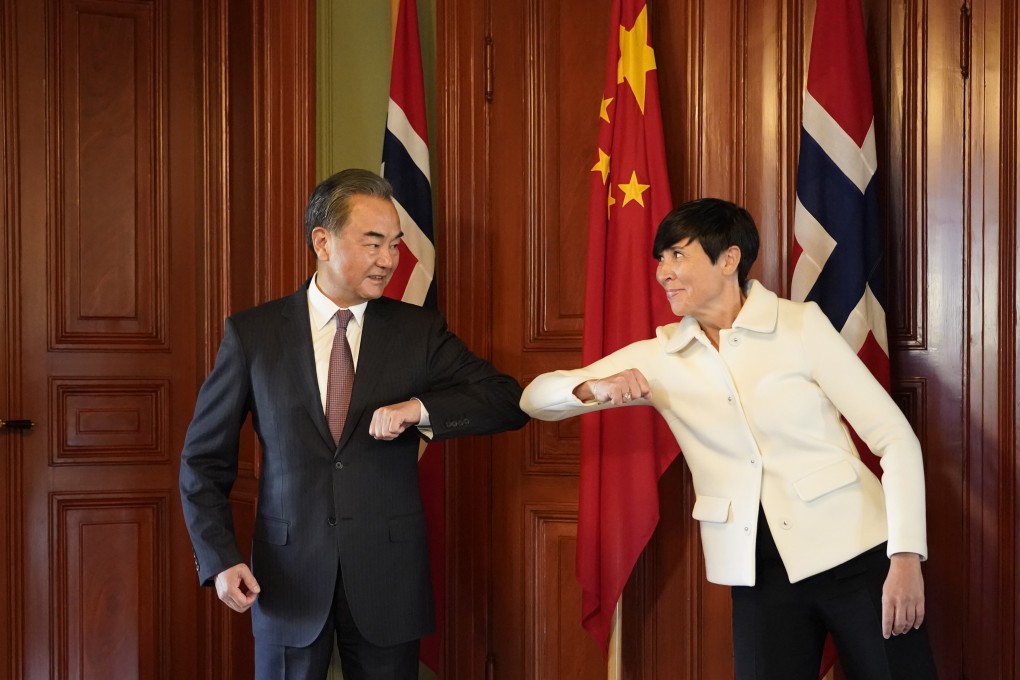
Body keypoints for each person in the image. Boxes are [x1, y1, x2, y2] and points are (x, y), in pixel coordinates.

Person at [519, 198, 938, 679]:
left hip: (858, 552)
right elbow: (534, 398)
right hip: (756, 571)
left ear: (729, 259)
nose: (663, 273)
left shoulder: (800, 326)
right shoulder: (660, 355)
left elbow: (895, 438)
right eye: (660, 259)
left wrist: (906, 556)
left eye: (677, 255)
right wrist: (591, 388)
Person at [179, 168, 529, 680]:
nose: (389, 259)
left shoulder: (417, 331)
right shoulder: (253, 335)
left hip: (388, 581)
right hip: (286, 579)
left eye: (395, 244)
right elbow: (202, 462)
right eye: (373, 243)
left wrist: (418, 410)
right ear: (323, 241)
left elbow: (507, 400)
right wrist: (219, 559)